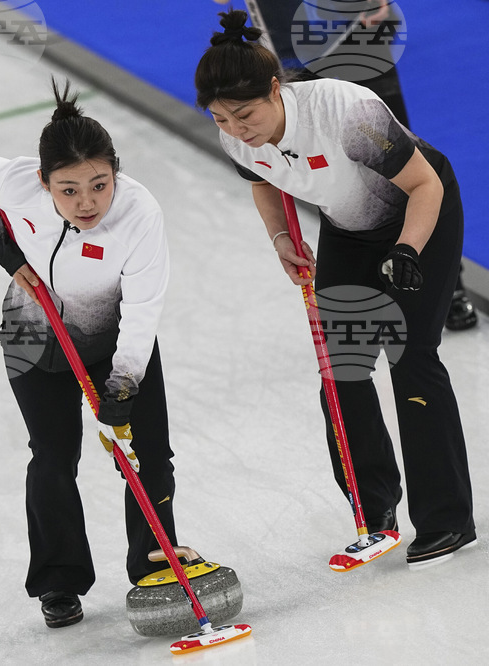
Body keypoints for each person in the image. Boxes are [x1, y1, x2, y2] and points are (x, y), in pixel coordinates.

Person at [194, 10, 476, 566]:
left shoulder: (345, 112)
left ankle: (446, 519)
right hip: (349, 229)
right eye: (221, 118)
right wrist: (280, 237)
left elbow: (422, 183)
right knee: (340, 367)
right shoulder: (237, 139)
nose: (236, 129)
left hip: (420, 214)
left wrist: (406, 251)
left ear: (277, 90)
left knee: (412, 356)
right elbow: (265, 184)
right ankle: (374, 510)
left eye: (245, 114)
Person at [0, 79, 177, 627]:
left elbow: (144, 308)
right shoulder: (15, 183)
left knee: (147, 453)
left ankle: (155, 564)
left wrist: (123, 386)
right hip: (31, 333)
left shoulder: (139, 214)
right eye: (69, 190)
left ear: (116, 174)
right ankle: (58, 582)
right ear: (43, 182)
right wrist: (4, 252)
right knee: (54, 457)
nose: (88, 203)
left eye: (100, 185)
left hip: (113, 338)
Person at [226, 0, 479, 330]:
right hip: (288, 43)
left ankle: (444, 282)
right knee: (330, 166)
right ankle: (365, 280)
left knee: (400, 155)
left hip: (352, 29)